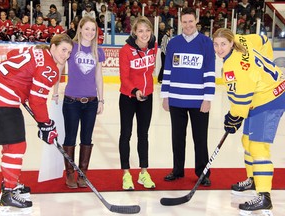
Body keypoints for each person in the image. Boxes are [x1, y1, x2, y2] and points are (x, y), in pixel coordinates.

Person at [0, 34, 73, 213]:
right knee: (16, 146)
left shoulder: (37, 50)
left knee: (12, 145)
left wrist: (20, 82)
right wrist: (46, 124)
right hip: (3, 97)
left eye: (69, 52)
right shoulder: (50, 68)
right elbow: (37, 100)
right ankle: (8, 192)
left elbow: (12, 55)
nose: (66, 55)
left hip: (3, 92)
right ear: (53, 47)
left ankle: (10, 183)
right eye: (63, 50)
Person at [212, 28, 283, 215]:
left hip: (269, 99)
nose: (219, 49)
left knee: (259, 147)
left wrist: (233, 118)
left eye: (223, 44)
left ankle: (264, 196)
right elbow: (264, 39)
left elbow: (241, 101)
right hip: (262, 95)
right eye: (216, 44)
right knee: (246, 141)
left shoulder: (232, 67)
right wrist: (262, 70)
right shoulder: (241, 39)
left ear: (230, 42)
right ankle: (253, 179)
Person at [161, 8, 215, 187]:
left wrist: (208, 98)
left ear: (197, 20)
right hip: (176, 99)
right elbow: (167, 70)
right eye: (184, 22)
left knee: (200, 138)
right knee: (177, 137)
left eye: (191, 21)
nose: (188, 25)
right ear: (180, 22)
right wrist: (165, 96)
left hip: (199, 101)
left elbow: (209, 72)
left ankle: (202, 173)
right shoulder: (173, 43)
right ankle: (177, 170)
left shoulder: (206, 43)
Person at [54, 16, 105, 189]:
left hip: (91, 102)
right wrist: (54, 91)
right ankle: (69, 173)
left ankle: (82, 173)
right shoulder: (72, 47)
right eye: (87, 28)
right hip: (71, 101)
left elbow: (99, 77)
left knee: (86, 138)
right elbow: (59, 66)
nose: (90, 32)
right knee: (70, 137)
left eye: (93, 29)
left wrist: (101, 99)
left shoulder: (98, 50)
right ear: (80, 29)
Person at [118, 16, 158, 190]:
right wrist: (135, 91)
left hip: (146, 97)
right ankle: (126, 174)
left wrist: (145, 90)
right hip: (128, 97)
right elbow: (124, 77)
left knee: (144, 135)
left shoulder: (154, 47)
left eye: (147, 30)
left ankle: (143, 172)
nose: (144, 34)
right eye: (140, 31)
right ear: (134, 32)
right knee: (126, 134)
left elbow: (150, 72)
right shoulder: (125, 50)